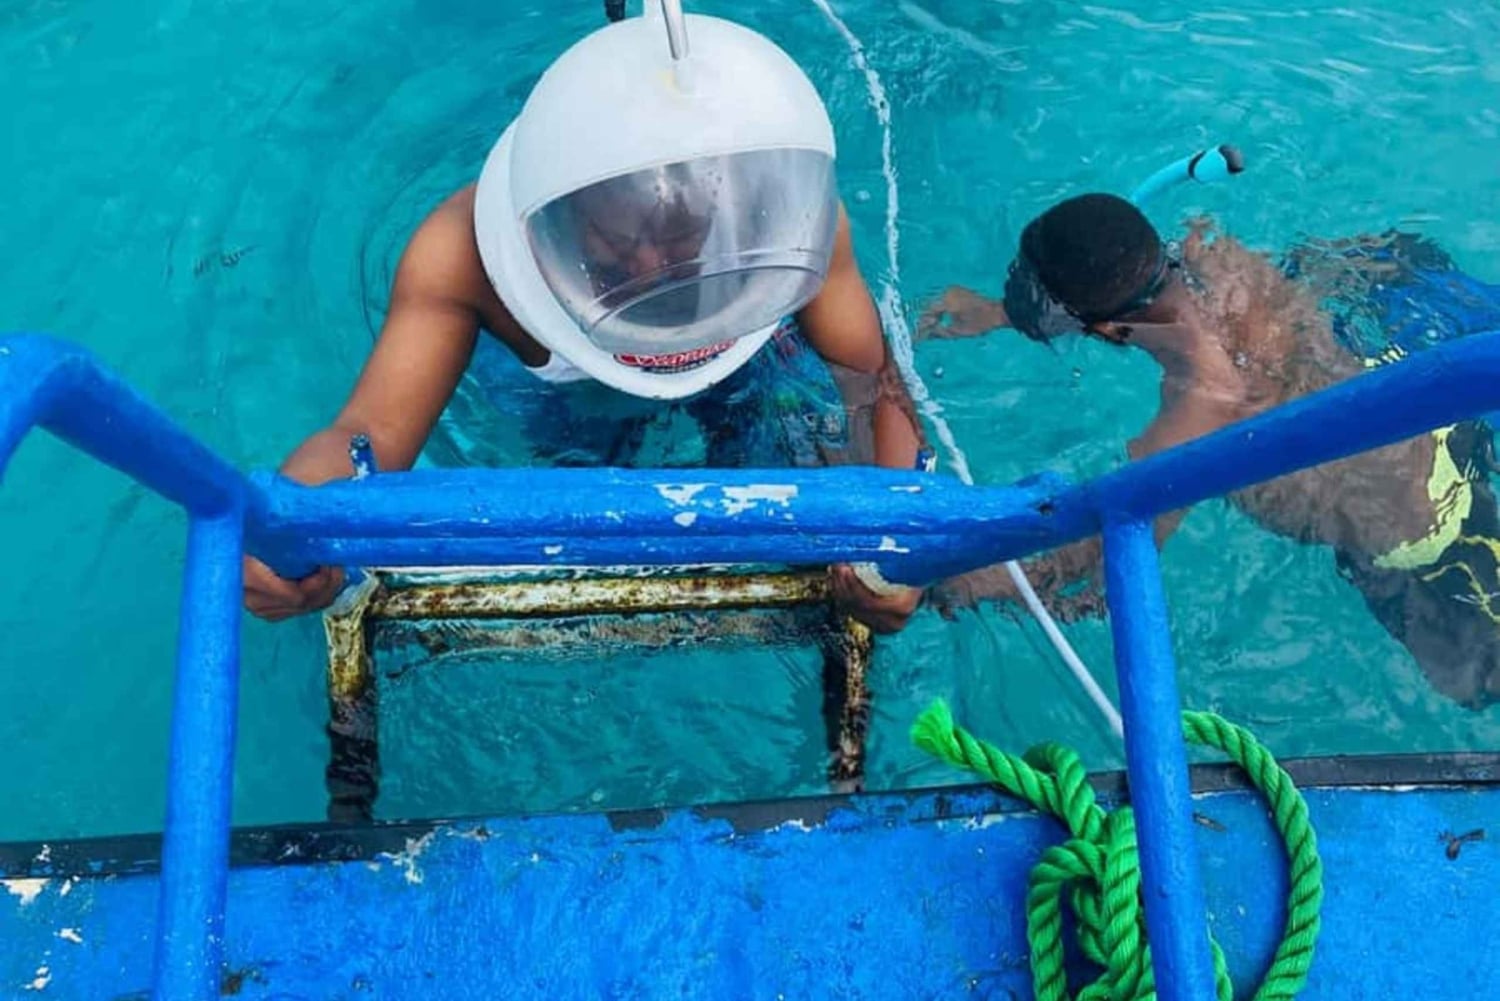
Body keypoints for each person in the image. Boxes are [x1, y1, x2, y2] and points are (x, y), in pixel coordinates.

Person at [243, 8, 927, 632]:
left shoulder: (795, 220)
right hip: (568, 399)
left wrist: (900, 543)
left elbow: (871, 376)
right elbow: (368, 432)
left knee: (847, 522)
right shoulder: (459, 253)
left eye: (683, 233)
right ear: (555, 219)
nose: (656, 266)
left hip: (743, 368)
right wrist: (292, 522)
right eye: (621, 242)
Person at [920, 192, 1500, 707]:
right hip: (1440, 422)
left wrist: (934, 584)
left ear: (1102, 331)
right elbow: (1118, 299)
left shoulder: (1199, 408)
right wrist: (999, 313)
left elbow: (1092, 565)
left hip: (1444, 550)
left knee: (1479, 689)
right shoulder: (1213, 257)